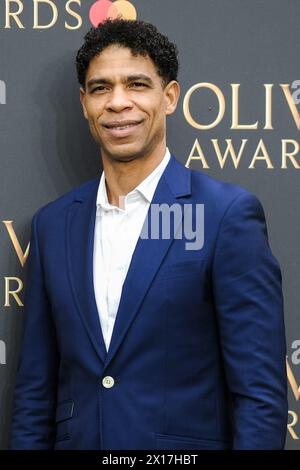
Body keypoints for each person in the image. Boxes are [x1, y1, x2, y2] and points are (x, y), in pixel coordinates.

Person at [10, 19, 287, 450]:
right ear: (84, 103)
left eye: (137, 84)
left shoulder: (221, 215)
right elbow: (34, 394)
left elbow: (259, 396)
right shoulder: (54, 225)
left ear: (169, 96)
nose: (118, 102)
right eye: (101, 88)